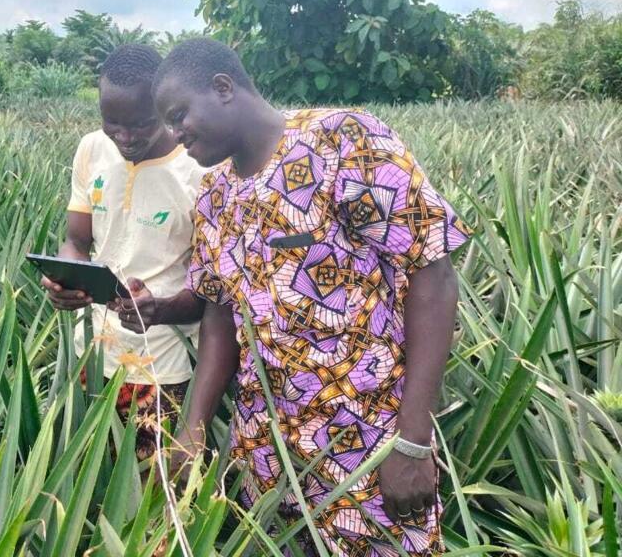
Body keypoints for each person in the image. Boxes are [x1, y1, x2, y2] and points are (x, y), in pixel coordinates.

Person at [148, 38, 470, 555]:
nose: (174, 133)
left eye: (179, 113)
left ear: (224, 87)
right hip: (267, 456)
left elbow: (432, 273)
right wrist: (195, 426)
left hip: (369, 442)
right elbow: (219, 314)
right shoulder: (215, 196)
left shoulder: (345, 141)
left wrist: (412, 441)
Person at [42, 44, 206, 461]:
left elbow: (217, 287)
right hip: (91, 353)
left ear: (164, 109)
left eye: (140, 124)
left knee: (152, 491)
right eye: (112, 123)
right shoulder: (92, 149)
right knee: (85, 478)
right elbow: (77, 241)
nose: (125, 137)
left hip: (163, 362)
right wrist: (67, 280)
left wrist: (163, 309)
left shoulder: (198, 169)